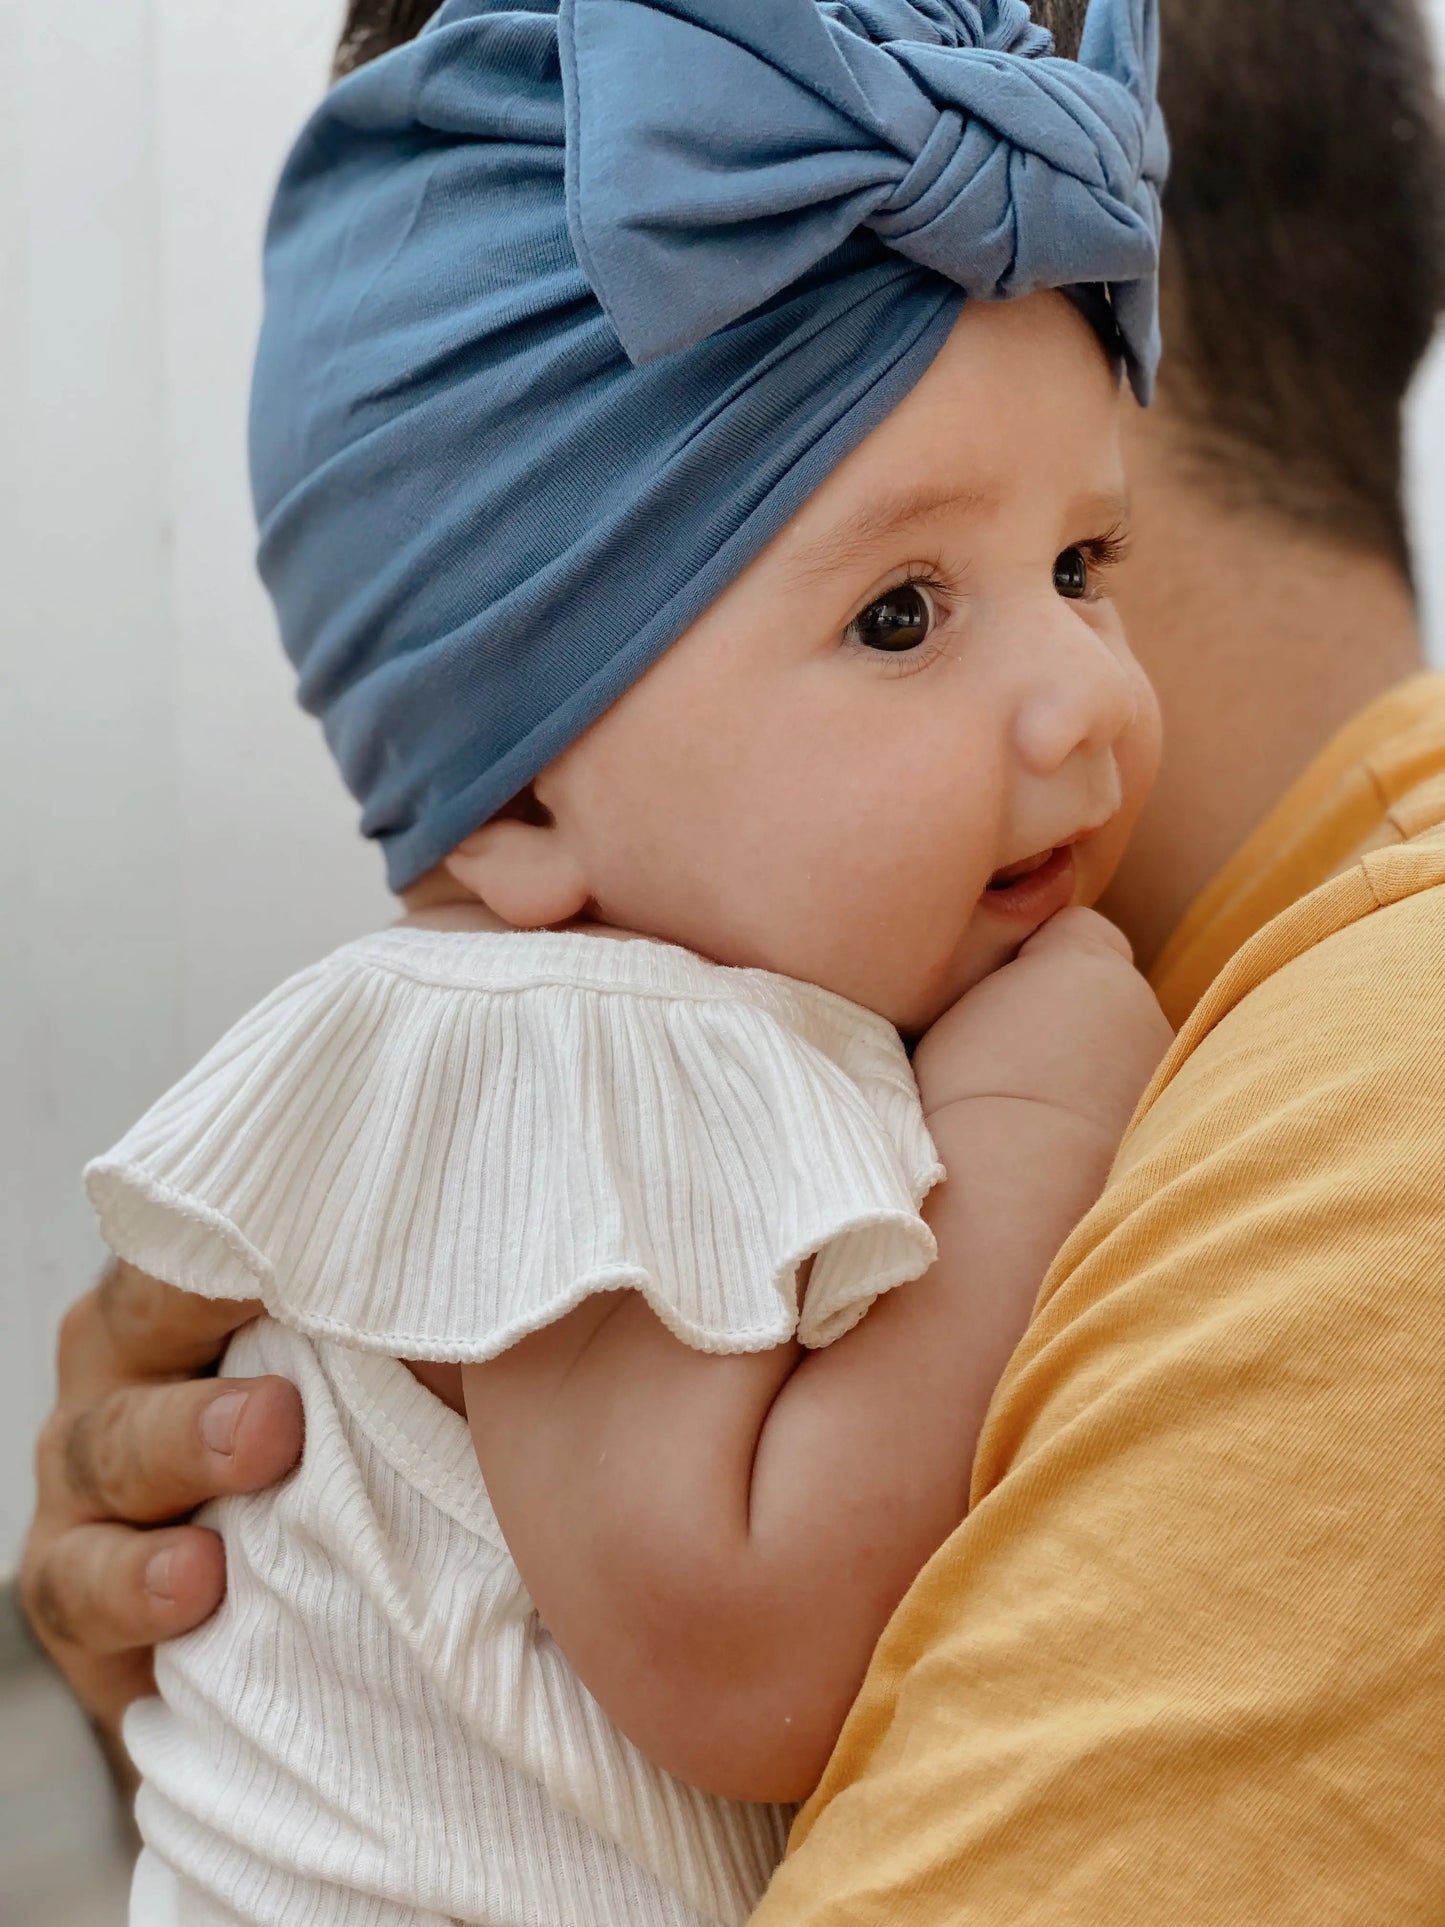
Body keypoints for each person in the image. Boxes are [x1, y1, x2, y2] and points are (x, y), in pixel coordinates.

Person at [21, 0, 1445, 1918]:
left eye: (1080, 570)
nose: (1086, 699)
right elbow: (743, 1651)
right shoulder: (581, 1048)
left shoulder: (1364, 1113)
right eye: (899, 613)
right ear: (516, 806)